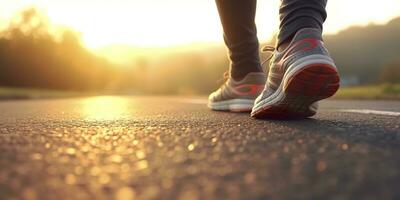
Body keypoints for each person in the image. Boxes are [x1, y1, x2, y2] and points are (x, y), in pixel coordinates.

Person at [208, 0, 340, 119]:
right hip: (313, 43)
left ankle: (244, 74)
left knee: (244, 67)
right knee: (301, 23)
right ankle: (304, 42)